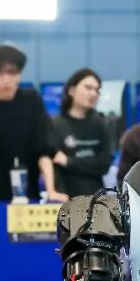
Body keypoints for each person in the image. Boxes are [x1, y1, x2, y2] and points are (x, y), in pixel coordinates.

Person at [0, 44, 66, 203]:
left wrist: (51, 191)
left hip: (26, 192)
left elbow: (43, 148)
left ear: (20, 75)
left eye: (11, 73)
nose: (5, 80)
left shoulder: (32, 100)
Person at [50, 68, 115, 198]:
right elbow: (54, 162)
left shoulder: (101, 125)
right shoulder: (55, 125)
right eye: (88, 88)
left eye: (97, 90)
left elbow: (104, 165)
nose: (93, 93)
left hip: (96, 200)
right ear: (71, 90)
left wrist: (69, 162)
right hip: (65, 198)